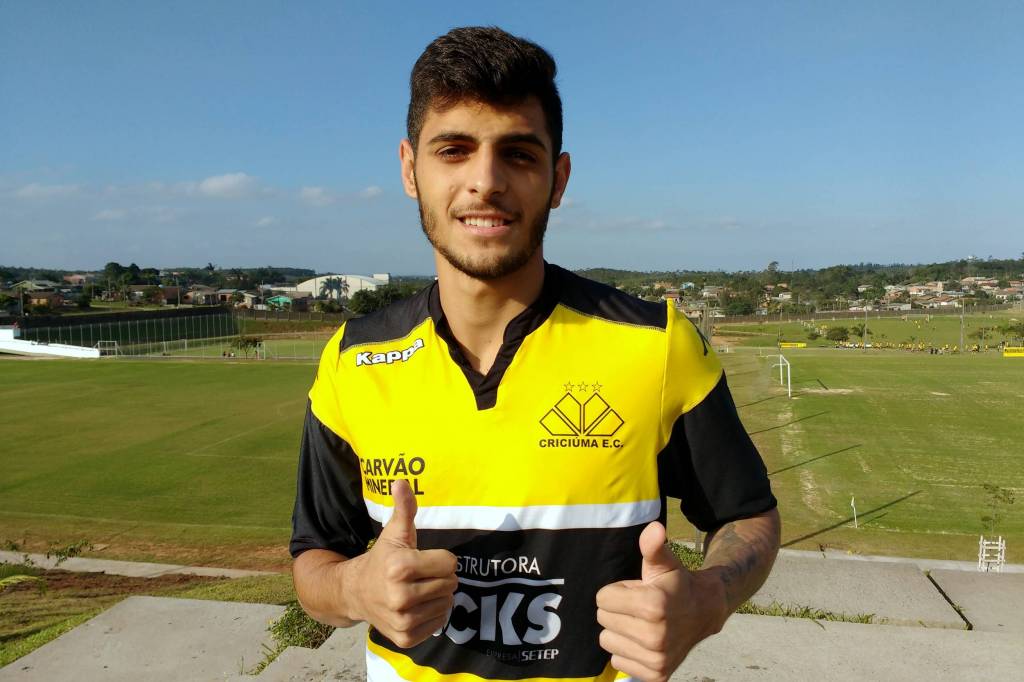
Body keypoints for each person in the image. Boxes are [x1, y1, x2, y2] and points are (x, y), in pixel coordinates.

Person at [290, 26, 780, 682]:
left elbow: (747, 515)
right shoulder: (352, 361)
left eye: (518, 154)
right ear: (410, 169)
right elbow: (313, 563)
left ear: (558, 178)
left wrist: (708, 599)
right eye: (454, 150)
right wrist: (354, 589)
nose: (485, 182)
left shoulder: (656, 344)